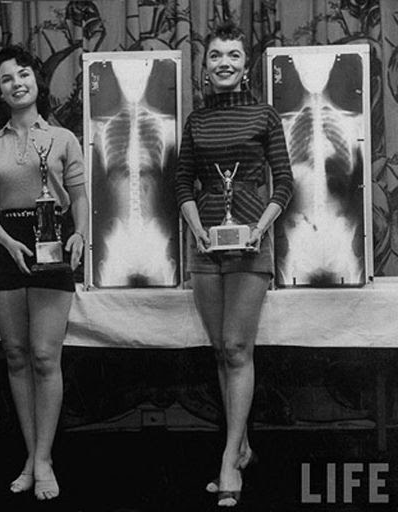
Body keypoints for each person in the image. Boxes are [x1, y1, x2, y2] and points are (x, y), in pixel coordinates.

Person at [175, 22, 293, 508]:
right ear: (205, 67)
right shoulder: (196, 121)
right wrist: (198, 230)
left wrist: (261, 228)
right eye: (216, 55)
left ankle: (228, 460)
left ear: (246, 67)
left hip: (251, 246)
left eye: (234, 56)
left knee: (238, 347)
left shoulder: (265, 115)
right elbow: (182, 183)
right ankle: (240, 445)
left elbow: (284, 182)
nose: (224, 62)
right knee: (222, 351)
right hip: (206, 247)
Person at [0, 45, 88, 501]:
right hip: (7, 247)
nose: (16, 83)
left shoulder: (63, 138)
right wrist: (5, 241)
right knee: (16, 356)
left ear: (37, 82)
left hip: (53, 241)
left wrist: (81, 234)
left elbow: (80, 197)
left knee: (44, 356)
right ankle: (32, 455)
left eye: (23, 74)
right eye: (6, 79)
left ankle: (42, 460)